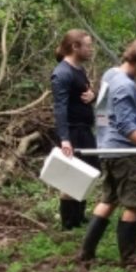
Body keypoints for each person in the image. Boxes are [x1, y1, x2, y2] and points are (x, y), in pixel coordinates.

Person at [78, 39, 136, 266]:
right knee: (135, 203)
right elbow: (127, 127)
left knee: (109, 199)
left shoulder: (111, 74)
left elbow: (106, 111)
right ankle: (129, 255)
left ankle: (86, 251)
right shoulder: (125, 86)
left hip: (107, 148)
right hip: (124, 152)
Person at [51, 30, 98, 229]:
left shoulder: (78, 69)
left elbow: (82, 96)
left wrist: (92, 96)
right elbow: (60, 108)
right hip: (72, 131)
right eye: (88, 46)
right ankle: (68, 222)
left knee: (86, 172)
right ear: (75, 47)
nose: (91, 49)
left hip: (84, 129)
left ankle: (79, 215)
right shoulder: (62, 73)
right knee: (71, 175)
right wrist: (65, 139)